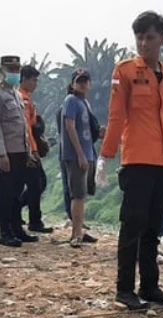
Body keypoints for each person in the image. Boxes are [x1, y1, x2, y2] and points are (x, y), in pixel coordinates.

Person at [97, 10, 163, 311]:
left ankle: (149, 286)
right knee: (132, 227)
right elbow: (116, 116)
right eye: (139, 37)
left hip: (161, 163)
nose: (143, 43)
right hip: (136, 162)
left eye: (150, 37)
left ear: (162, 39)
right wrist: (105, 157)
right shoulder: (125, 71)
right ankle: (124, 289)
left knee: (152, 230)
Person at [0, 55, 39, 247]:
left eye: (17, 70)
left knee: (17, 193)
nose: (14, 73)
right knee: (5, 194)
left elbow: (23, 125)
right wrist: (1, 153)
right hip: (6, 152)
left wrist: (29, 151)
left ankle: (17, 229)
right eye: (11, 70)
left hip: (20, 151)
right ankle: (5, 231)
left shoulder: (16, 94)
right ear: (2, 71)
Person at [60, 68, 99, 247]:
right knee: (77, 194)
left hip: (87, 152)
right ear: (73, 83)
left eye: (85, 81)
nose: (83, 84)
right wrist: (80, 154)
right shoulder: (71, 101)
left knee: (82, 194)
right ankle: (75, 234)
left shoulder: (85, 103)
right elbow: (69, 126)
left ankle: (80, 231)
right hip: (77, 155)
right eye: (79, 81)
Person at [19, 65, 51, 234]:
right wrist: (33, 150)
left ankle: (29, 217)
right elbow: (27, 128)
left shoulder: (27, 98)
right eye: (33, 80)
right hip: (28, 148)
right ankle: (34, 220)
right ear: (24, 79)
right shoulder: (23, 99)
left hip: (29, 147)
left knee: (36, 183)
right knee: (36, 184)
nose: (35, 83)